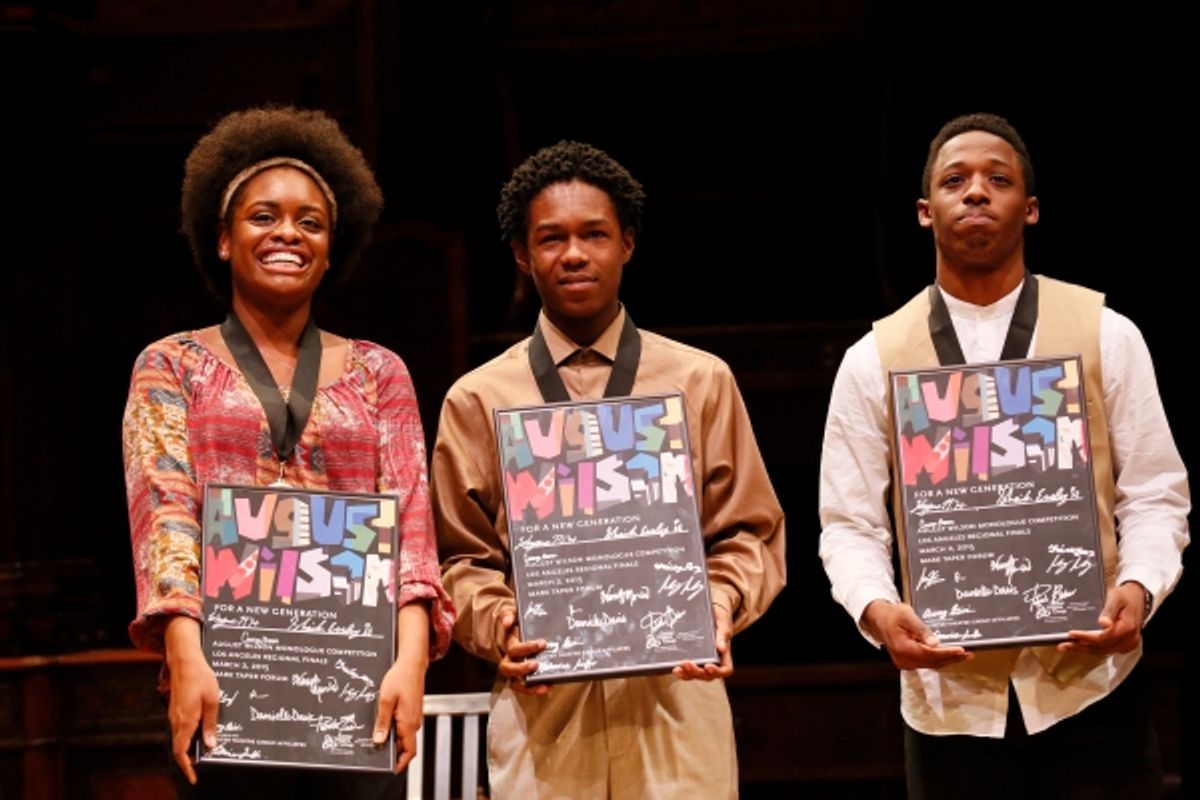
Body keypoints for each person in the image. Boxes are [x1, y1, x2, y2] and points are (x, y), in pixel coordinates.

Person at [818, 112, 1190, 799]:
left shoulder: (1108, 334)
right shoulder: (872, 360)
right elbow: (849, 524)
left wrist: (1139, 587)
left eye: (999, 179)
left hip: (1093, 689)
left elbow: (1155, 493)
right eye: (955, 181)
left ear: (1032, 207)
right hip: (949, 703)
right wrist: (877, 609)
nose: (977, 192)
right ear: (926, 213)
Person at [430, 140, 786, 799]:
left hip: (677, 707)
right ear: (520, 253)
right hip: (544, 716)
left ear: (626, 242)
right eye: (551, 238)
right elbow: (457, 558)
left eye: (594, 234)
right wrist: (498, 622)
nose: (573, 254)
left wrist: (718, 604)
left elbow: (750, 533)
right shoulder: (478, 399)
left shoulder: (700, 382)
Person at [122, 105, 455, 796]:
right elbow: (166, 516)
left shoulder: (378, 372)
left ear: (332, 249)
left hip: (359, 692)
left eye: (311, 223)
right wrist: (185, 655)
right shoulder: (171, 366)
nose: (287, 234)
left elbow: (412, 525)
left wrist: (411, 662)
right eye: (263, 216)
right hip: (225, 683)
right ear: (222, 238)